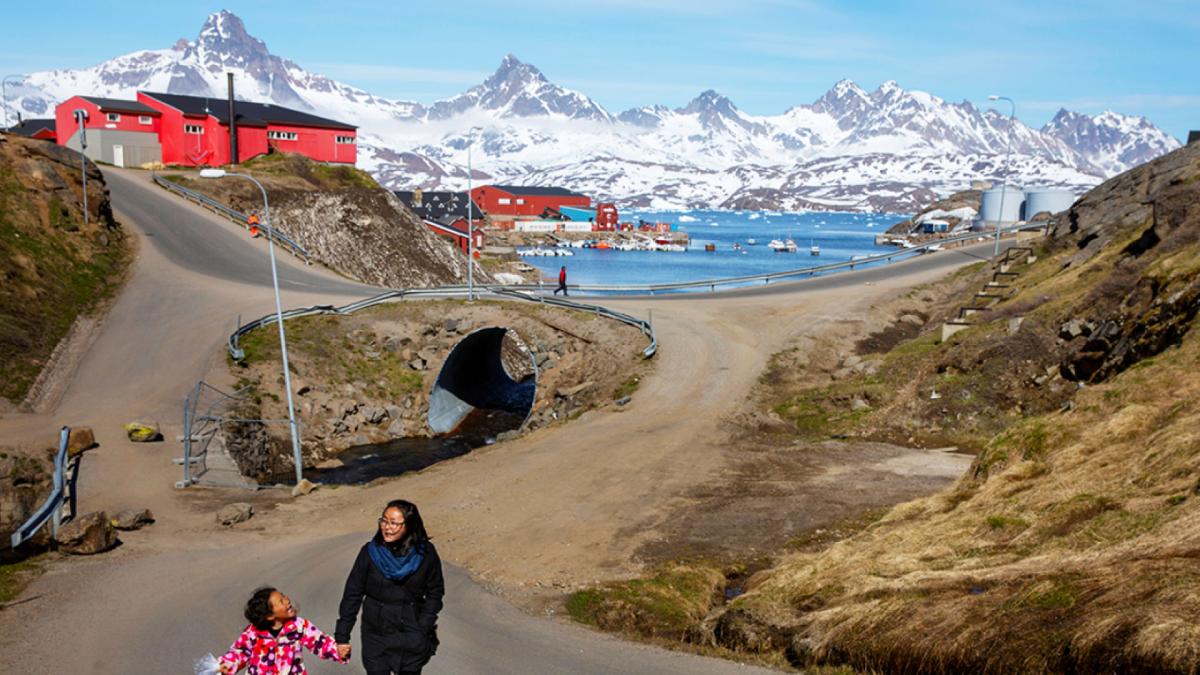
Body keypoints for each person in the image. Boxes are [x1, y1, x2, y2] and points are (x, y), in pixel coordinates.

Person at [336, 500, 445, 675]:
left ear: (409, 525)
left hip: (411, 632)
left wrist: (424, 625)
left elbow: (435, 591)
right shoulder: (370, 552)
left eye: (394, 523)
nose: (387, 527)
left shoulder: (425, 553)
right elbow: (353, 593)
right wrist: (342, 636)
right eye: (384, 521)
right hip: (376, 635)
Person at [217, 586, 345, 674]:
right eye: (281, 601)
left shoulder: (299, 627)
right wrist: (228, 664)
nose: (287, 600)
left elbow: (320, 642)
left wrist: (338, 650)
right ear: (270, 616)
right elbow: (240, 651)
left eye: (283, 596)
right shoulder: (253, 633)